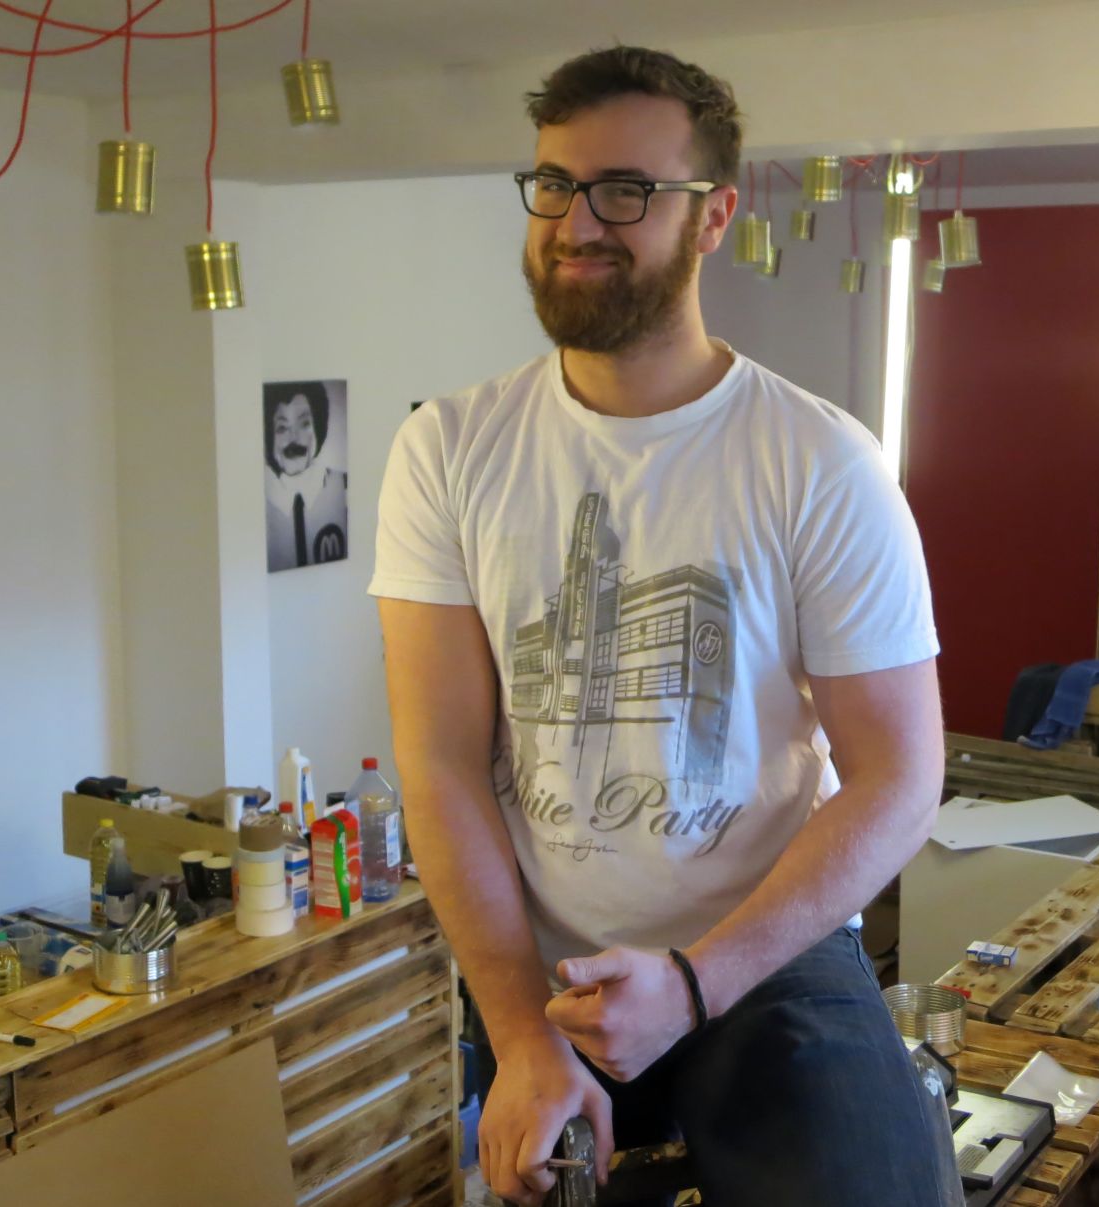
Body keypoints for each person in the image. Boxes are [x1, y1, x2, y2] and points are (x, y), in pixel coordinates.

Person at [369, 45, 960, 1207]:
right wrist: (516, 1032)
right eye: (554, 184)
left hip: (770, 950)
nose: (576, 223)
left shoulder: (817, 462)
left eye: (625, 191)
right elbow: (438, 764)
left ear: (713, 216)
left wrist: (695, 982)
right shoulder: (447, 448)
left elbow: (899, 775)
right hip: (548, 979)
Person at [264, 382, 349, 570]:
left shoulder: (346, 489)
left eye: (304, 424)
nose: (294, 438)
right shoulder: (255, 505)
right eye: (282, 428)